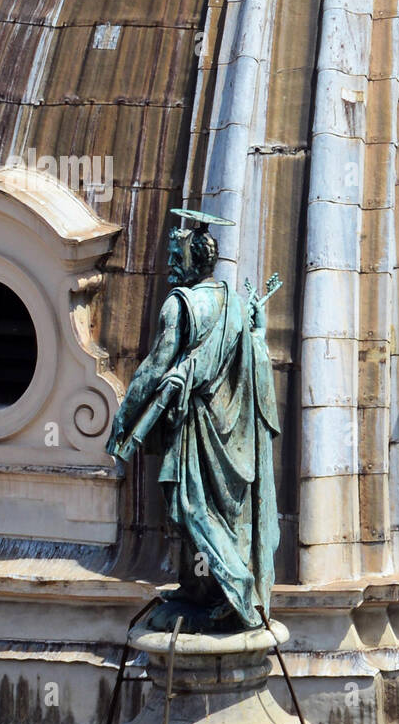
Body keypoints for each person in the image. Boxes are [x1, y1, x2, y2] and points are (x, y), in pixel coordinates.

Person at [107, 209, 280, 631]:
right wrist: (258, 334)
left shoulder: (179, 305)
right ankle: (201, 589)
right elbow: (252, 358)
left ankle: (236, 585)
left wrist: (122, 419)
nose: (169, 264)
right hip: (228, 432)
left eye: (174, 255)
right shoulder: (231, 301)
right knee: (217, 514)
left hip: (195, 431)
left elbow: (152, 368)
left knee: (189, 508)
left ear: (190, 257)